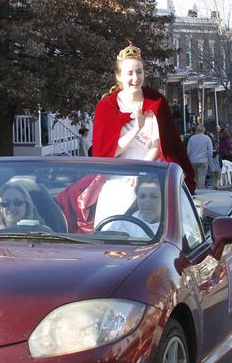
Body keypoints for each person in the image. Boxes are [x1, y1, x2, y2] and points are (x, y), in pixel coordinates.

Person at [91, 43, 196, 192]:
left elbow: (158, 146)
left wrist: (140, 170)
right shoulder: (106, 106)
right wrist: (136, 129)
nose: (135, 78)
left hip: (151, 169)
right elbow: (107, 153)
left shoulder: (156, 101)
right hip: (118, 173)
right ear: (118, 76)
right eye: (129, 73)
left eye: (139, 72)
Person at [98, 174, 162, 238]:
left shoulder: (169, 231)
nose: (147, 202)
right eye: (142, 197)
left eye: (154, 197)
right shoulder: (122, 224)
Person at [186, 125, 212, 190]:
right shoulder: (207, 138)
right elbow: (210, 151)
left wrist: (189, 159)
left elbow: (188, 151)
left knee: (194, 178)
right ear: (204, 130)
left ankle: (194, 190)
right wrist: (209, 161)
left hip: (193, 160)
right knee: (201, 179)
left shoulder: (192, 138)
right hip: (203, 160)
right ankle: (200, 192)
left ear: (196, 130)